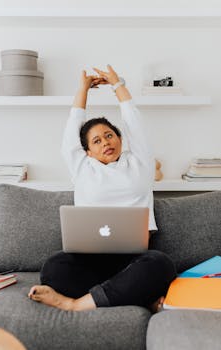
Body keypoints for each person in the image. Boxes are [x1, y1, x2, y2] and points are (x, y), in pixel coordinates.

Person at [28, 65, 176, 312]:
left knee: (161, 265)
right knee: (54, 268)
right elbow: (73, 125)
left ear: (119, 138)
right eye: (96, 141)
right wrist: (83, 89)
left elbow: (134, 121)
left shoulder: (140, 162)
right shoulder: (82, 167)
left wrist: (118, 85)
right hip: (91, 261)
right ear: (87, 151)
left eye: (109, 135)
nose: (105, 142)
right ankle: (133, 295)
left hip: (135, 259)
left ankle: (76, 304)